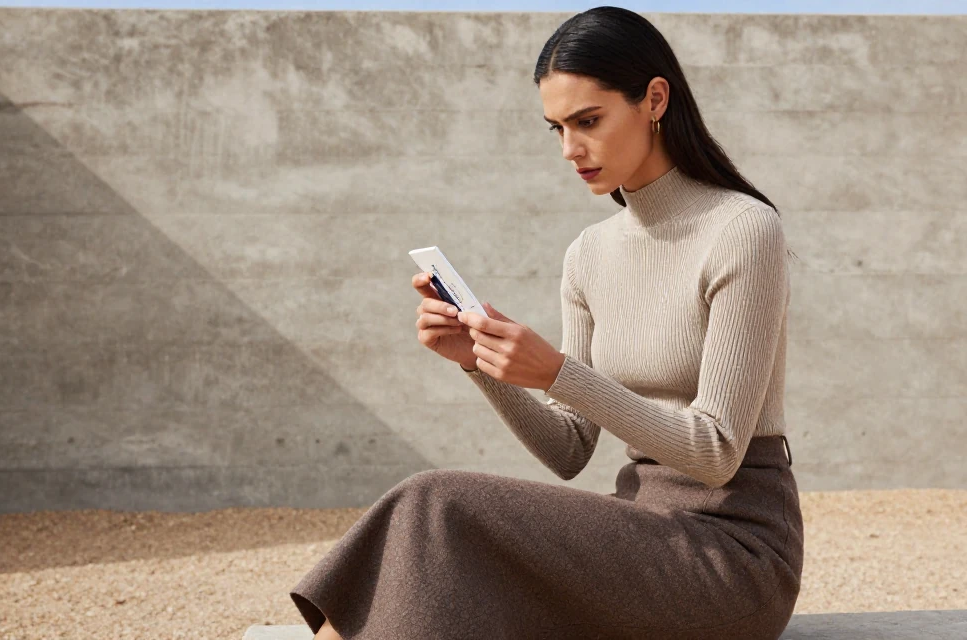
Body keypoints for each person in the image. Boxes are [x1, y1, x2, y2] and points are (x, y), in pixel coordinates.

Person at [290, 6, 802, 639]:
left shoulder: (743, 230)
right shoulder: (589, 254)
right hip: (642, 530)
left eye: (588, 121)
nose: (569, 149)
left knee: (434, 503)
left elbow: (717, 452)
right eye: (557, 128)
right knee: (438, 551)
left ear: (654, 99)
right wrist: (479, 362)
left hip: (732, 556)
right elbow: (568, 451)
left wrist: (558, 372)